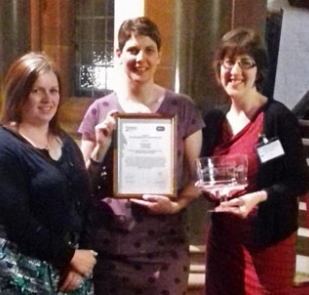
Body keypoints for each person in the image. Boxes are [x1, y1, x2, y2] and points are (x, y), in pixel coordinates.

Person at [78, 17, 204, 295]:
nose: (141, 58)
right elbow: (80, 185)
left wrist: (176, 205)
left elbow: (199, 177)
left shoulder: (182, 109)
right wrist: (101, 146)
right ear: (118, 54)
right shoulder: (99, 111)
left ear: (159, 55)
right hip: (110, 247)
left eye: (149, 50)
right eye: (133, 49)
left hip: (165, 246)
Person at [0, 52, 97, 295]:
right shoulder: (0, 147)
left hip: (68, 266)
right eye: (37, 91)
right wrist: (70, 256)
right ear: (18, 94)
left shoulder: (65, 142)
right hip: (16, 268)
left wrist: (80, 258)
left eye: (53, 91)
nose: (47, 99)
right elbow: (17, 221)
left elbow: (84, 203)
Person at [200, 28, 309, 294]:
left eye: (245, 62)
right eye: (228, 62)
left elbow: (300, 179)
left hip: (268, 243)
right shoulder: (213, 120)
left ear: (258, 71)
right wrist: (207, 188)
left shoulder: (277, 118)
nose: (235, 71)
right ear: (219, 69)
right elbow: (204, 173)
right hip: (223, 242)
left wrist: (258, 197)